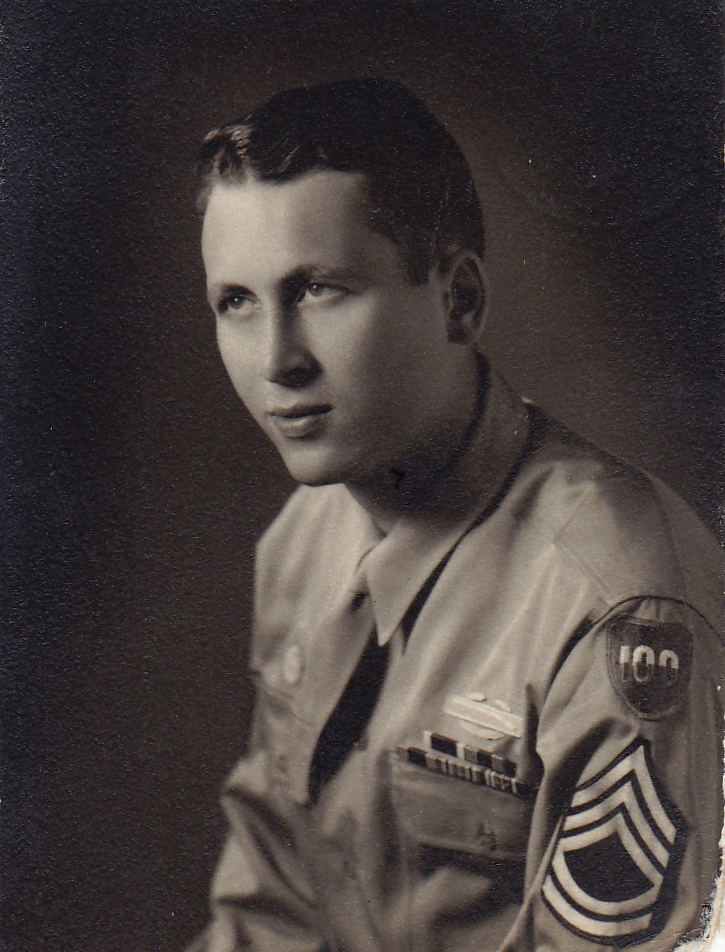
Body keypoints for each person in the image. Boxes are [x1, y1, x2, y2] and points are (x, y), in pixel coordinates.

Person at [189, 78, 723, 952]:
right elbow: (270, 906)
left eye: (318, 289)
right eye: (236, 302)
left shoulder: (616, 603)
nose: (277, 359)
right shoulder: (299, 541)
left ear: (459, 300)